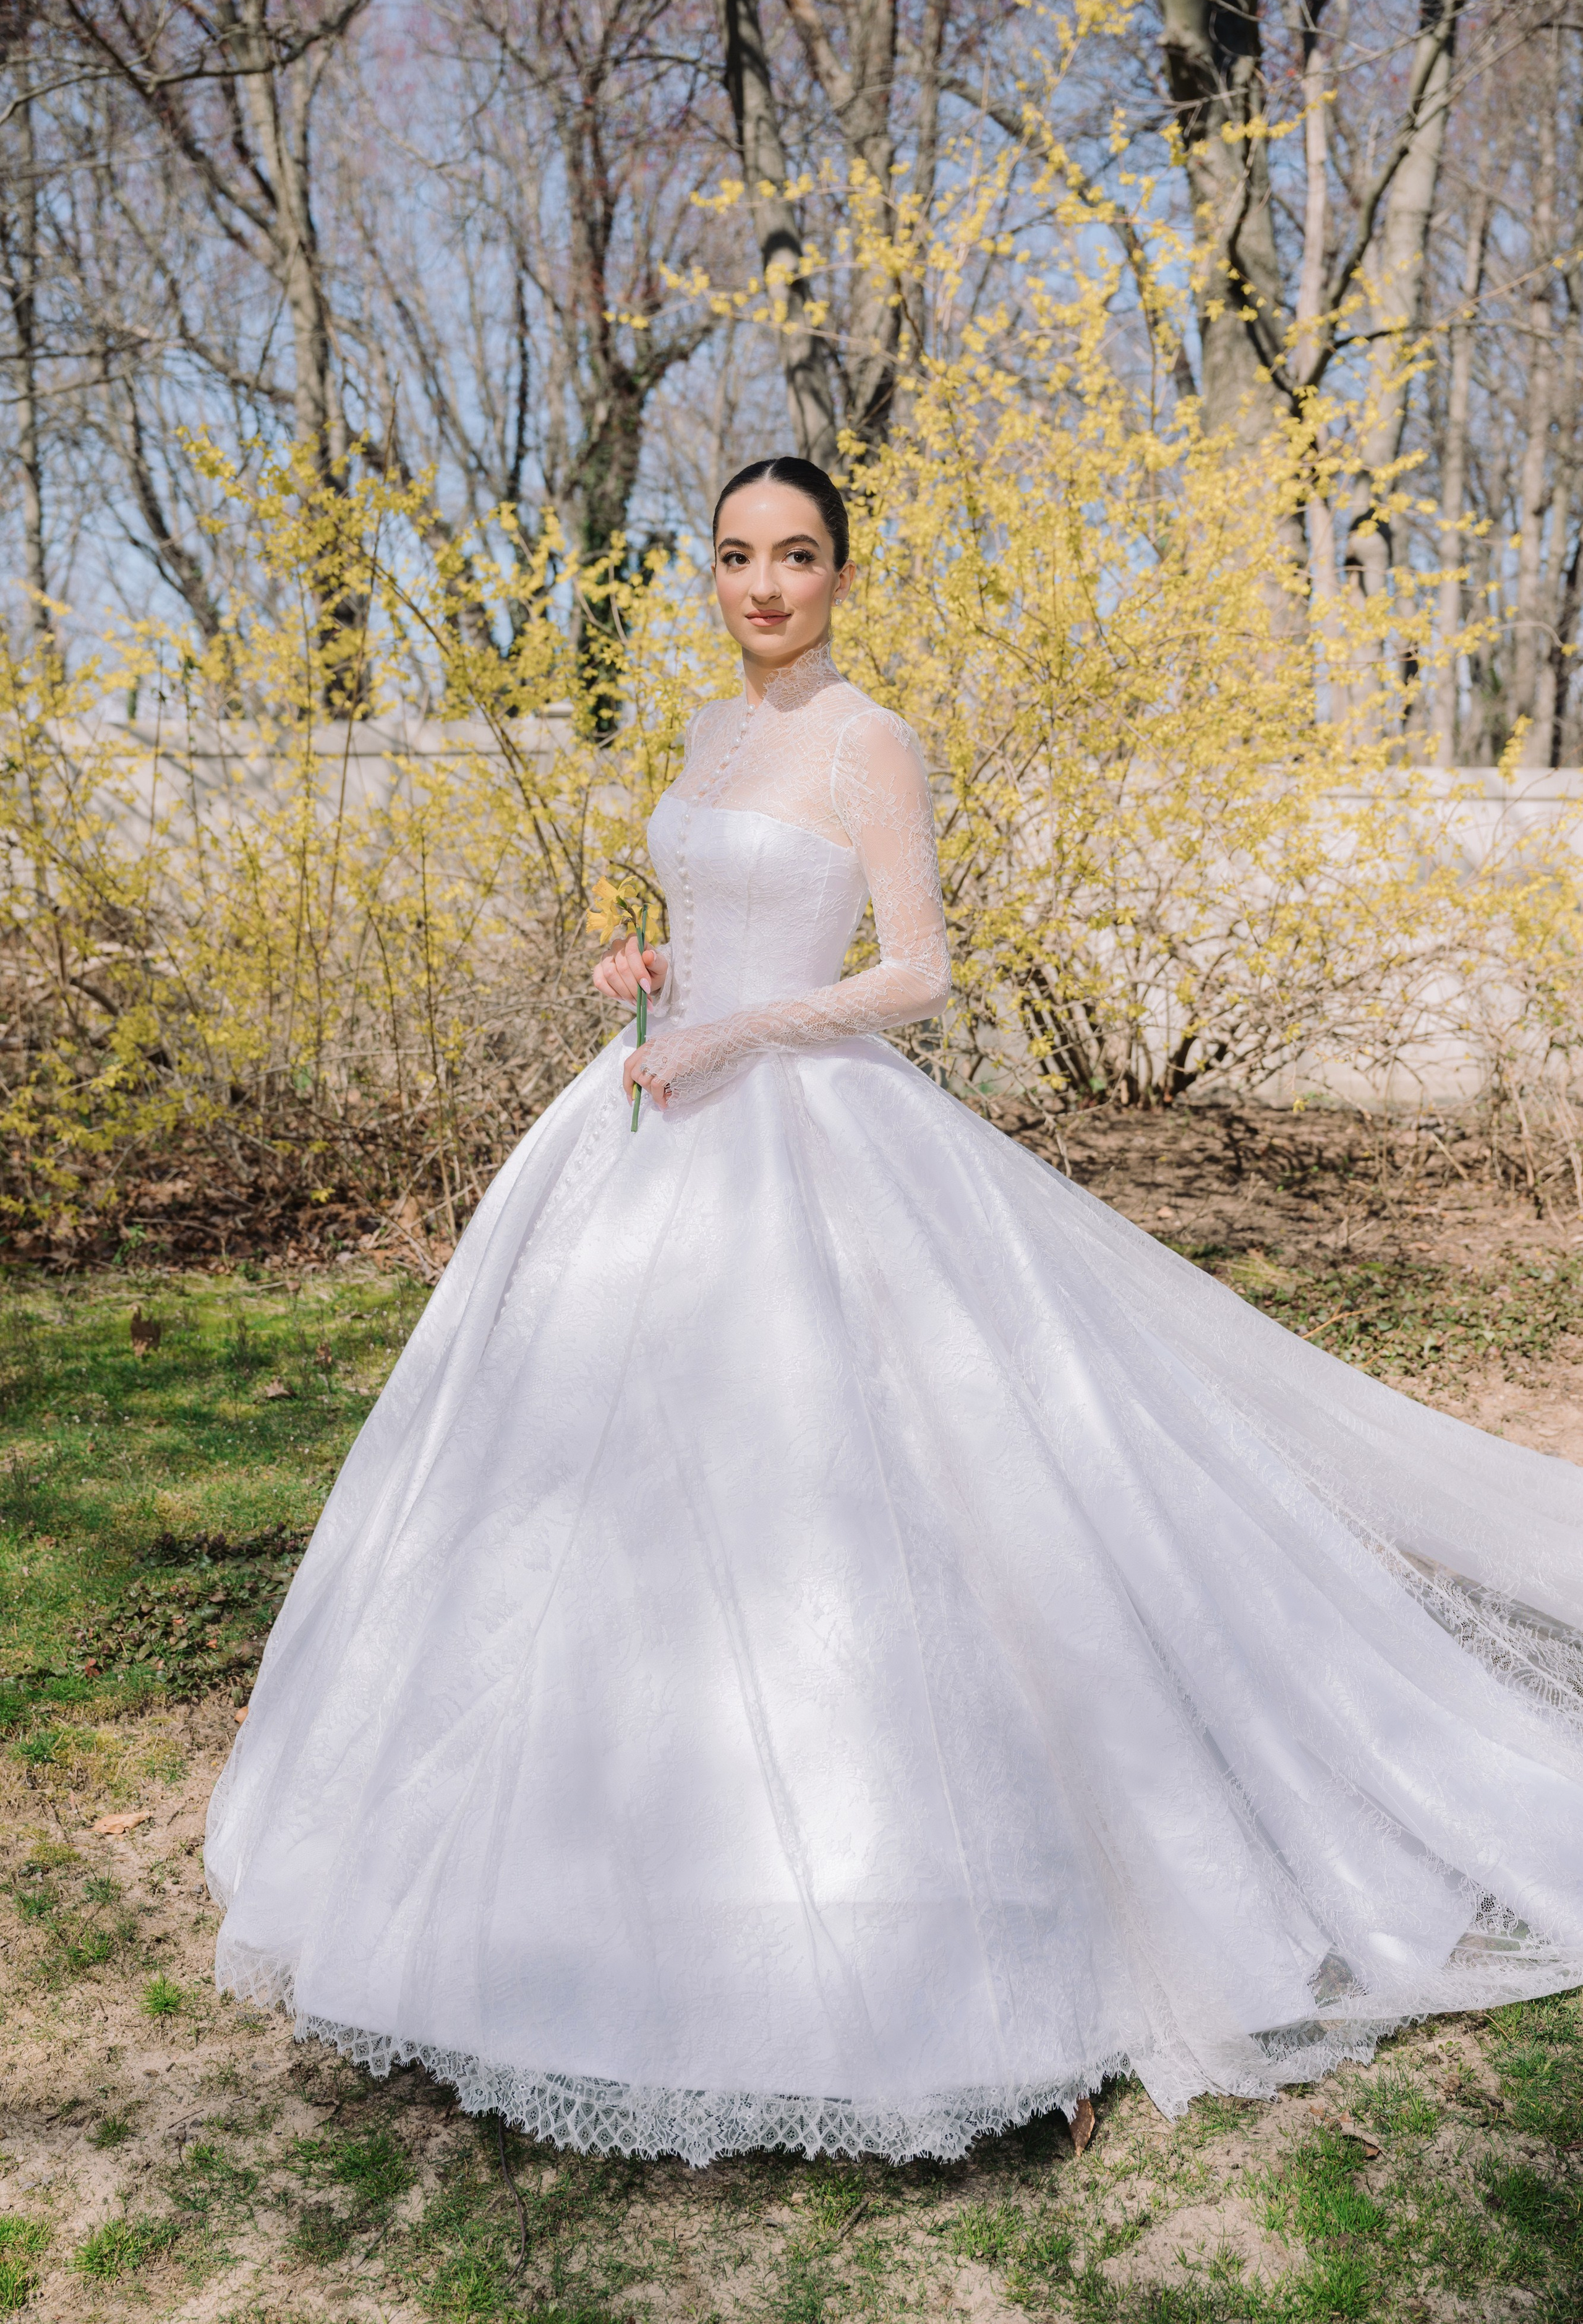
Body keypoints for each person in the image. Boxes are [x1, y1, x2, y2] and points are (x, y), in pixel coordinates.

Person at [206, 455, 1583, 2170]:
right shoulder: (710, 732)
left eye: (796, 556)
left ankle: (942, 1931)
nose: (763, 585)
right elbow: (719, 913)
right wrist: (655, 976)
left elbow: (916, 969)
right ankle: (573, 1881)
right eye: (736, 556)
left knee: (857, 1500)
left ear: (841, 575)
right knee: (588, 1492)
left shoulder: (874, 739)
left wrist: (736, 1029)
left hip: (799, 1125)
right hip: (654, 1124)